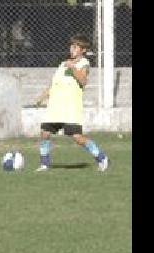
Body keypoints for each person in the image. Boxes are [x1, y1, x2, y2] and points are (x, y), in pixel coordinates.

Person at [32, 34, 110, 172]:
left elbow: (83, 81)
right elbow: (54, 84)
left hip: (70, 108)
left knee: (77, 138)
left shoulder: (83, 63)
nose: (72, 49)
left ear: (83, 50)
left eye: (75, 46)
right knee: (45, 133)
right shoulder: (63, 64)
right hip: (56, 107)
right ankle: (44, 164)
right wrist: (42, 97)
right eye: (71, 46)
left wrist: (73, 68)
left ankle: (102, 158)